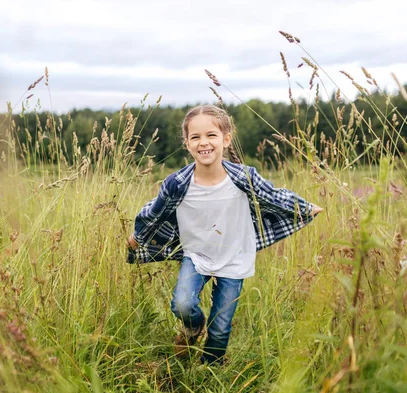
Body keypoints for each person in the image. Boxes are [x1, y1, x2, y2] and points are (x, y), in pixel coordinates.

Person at [127, 105, 323, 365]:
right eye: (195, 137)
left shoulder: (244, 178)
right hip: (196, 256)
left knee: (220, 328)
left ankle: (211, 370)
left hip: (234, 258)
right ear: (187, 143)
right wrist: (137, 236)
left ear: (226, 139)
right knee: (183, 304)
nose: (203, 143)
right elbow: (154, 212)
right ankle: (194, 327)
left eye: (211, 135)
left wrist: (304, 207)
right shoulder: (177, 183)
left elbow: (275, 196)